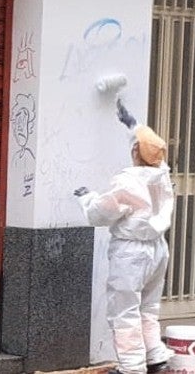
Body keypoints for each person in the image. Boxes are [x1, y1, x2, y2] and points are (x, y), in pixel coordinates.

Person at [74, 120, 176, 374]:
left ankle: (131, 368)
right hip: (158, 249)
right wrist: (132, 123)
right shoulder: (162, 174)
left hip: (131, 253)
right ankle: (155, 358)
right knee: (148, 308)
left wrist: (87, 197)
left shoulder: (128, 180)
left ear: (134, 153)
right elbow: (152, 146)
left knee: (124, 310)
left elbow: (102, 213)